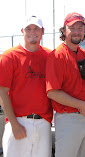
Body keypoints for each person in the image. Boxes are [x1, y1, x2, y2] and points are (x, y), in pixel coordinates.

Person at [45, 12, 85, 157]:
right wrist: (82, 105)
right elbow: (52, 92)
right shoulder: (57, 55)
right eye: (72, 28)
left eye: (80, 28)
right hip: (68, 118)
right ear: (64, 30)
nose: (76, 32)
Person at [0, 16, 53, 157]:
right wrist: (14, 125)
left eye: (36, 28)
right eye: (28, 29)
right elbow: (2, 92)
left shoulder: (50, 56)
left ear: (43, 31)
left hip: (44, 123)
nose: (32, 32)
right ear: (22, 31)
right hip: (18, 122)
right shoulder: (9, 56)